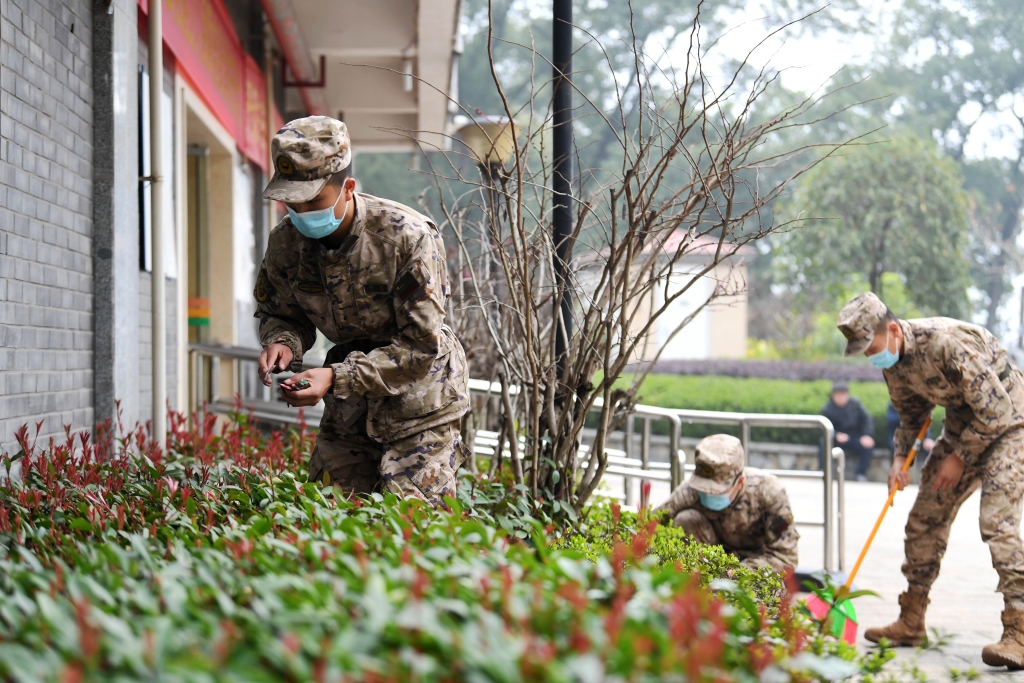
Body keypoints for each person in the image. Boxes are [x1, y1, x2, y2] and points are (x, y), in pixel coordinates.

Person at [254, 116, 470, 506]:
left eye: (313, 200)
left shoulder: (406, 237)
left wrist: (335, 378)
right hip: (349, 414)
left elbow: (420, 347)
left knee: (414, 532)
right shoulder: (286, 242)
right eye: (293, 201)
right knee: (330, 521)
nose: (301, 213)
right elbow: (281, 311)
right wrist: (282, 341)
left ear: (348, 188)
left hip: (421, 406)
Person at [837, 291, 1024, 668]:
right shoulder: (893, 363)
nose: (872, 358)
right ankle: (912, 619)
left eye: (871, 347)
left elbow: (998, 410)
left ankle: (1019, 630)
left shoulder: (944, 344)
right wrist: (898, 460)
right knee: (923, 519)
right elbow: (911, 417)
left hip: (1011, 425)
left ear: (892, 329)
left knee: (996, 524)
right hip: (963, 429)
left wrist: (958, 457)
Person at [653, 434, 799, 572]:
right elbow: (651, 524)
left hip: (755, 572)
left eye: (716, 490)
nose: (708, 493)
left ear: (740, 482)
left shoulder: (769, 493)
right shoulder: (691, 491)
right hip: (708, 566)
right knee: (686, 519)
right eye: (703, 488)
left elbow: (786, 557)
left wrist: (740, 573)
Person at [821, 381, 876, 481]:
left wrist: (867, 435)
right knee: (823, 443)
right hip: (835, 438)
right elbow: (824, 427)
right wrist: (836, 434)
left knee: (868, 445)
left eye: (843, 395)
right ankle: (823, 471)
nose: (840, 398)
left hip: (853, 437)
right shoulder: (827, 408)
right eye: (838, 395)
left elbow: (867, 419)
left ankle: (860, 474)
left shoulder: (856, 404)